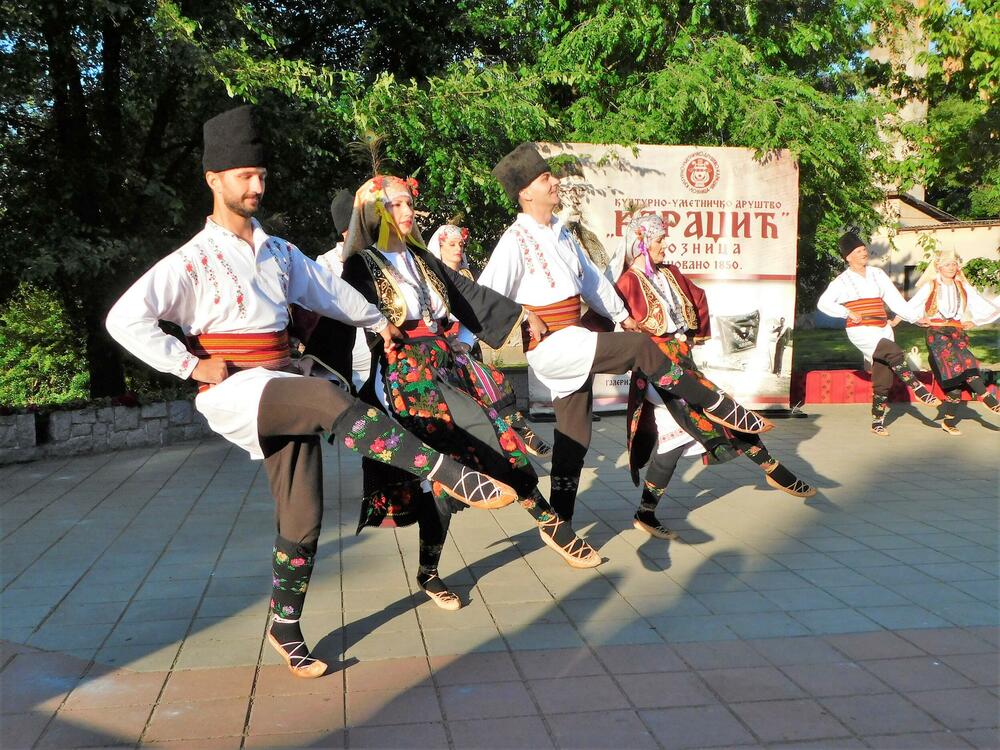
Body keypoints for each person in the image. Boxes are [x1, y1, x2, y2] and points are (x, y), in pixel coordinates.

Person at [105, 106, 518, 677]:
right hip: (236, 392)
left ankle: (284, 625)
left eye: (262, 175)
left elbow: (329, 292)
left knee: (303, 516)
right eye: (244, 175)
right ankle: (451, 474)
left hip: (283, 379)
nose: (256, 186)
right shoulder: (190, 262)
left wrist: (378, 320)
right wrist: (187, 365)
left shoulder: (277, 251)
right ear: (213, 180)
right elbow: (125, 320)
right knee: (329, 401)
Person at [333, 175, 604, 609]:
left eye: (408, 205)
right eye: (396, 206)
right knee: (481, 441)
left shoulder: (422, 260)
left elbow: (467, 294)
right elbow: (341, 309)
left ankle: (429, 572)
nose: (406, 214)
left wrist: (520, 314)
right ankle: (551, 523)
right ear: (373, 212)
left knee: (449, 478)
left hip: (448, 366)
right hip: (408, 381)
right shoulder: (360, 265)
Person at [476, 142, 773, 523]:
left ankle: (558, 522)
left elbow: (594, 285)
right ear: (525, 192)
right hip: (552, 344)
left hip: (576, 339)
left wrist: (622, 315)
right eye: (545, 178)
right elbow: (484, 295)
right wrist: (519, 316)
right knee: (638, 347)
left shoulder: (563, 234)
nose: (554, 183)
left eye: (551, 176)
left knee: (575, 437)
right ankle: (715, 402)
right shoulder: (514, 241)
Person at [612, 215, 816, 538]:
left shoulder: (669, 272)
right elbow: (605, 315)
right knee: (714, 410)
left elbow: (697, 297)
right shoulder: (626, 283)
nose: (666, 244)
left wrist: (693, 334)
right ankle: (771, 467)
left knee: (674, 440)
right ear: (641, 243)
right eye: (660, 240)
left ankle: (645, 513)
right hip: (656, 370)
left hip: (682, 361)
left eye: (665, 238)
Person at [427, 223, 551, 457]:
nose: (458, 249)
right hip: (441, 348)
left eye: (460, 244)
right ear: (439, 248)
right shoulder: (431, 278)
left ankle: (517, 434)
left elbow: (477, 309)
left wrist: (465, 342)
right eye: (451, 245)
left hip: (466, 346)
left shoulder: (466, 276)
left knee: (492, 383)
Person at [817, 231, 941, 436]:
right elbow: (823, 303)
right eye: (858, 250)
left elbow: (895, 300)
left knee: (883, 376)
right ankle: (918, 388)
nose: (863, 252)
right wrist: (846, 311)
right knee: (891, 350)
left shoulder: (877, 274)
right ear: (848, 257)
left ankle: (877, 422)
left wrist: (914, 318)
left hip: (882, 327)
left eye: (864, 249)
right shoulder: (841, 281)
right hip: (860, 330)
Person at [902, 250, 1000, 434]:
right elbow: (911, 307)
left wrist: (976, 321)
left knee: (955, 386)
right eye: (947, 264)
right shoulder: (931, 285)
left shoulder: (962, 286)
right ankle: (987, 397)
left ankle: (948, 423)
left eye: (954, 264)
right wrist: (917, 319)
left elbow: (981, 303)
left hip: (957, 332)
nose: (952, 268)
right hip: (937, 333)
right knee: (965, 362)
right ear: (938, 267)